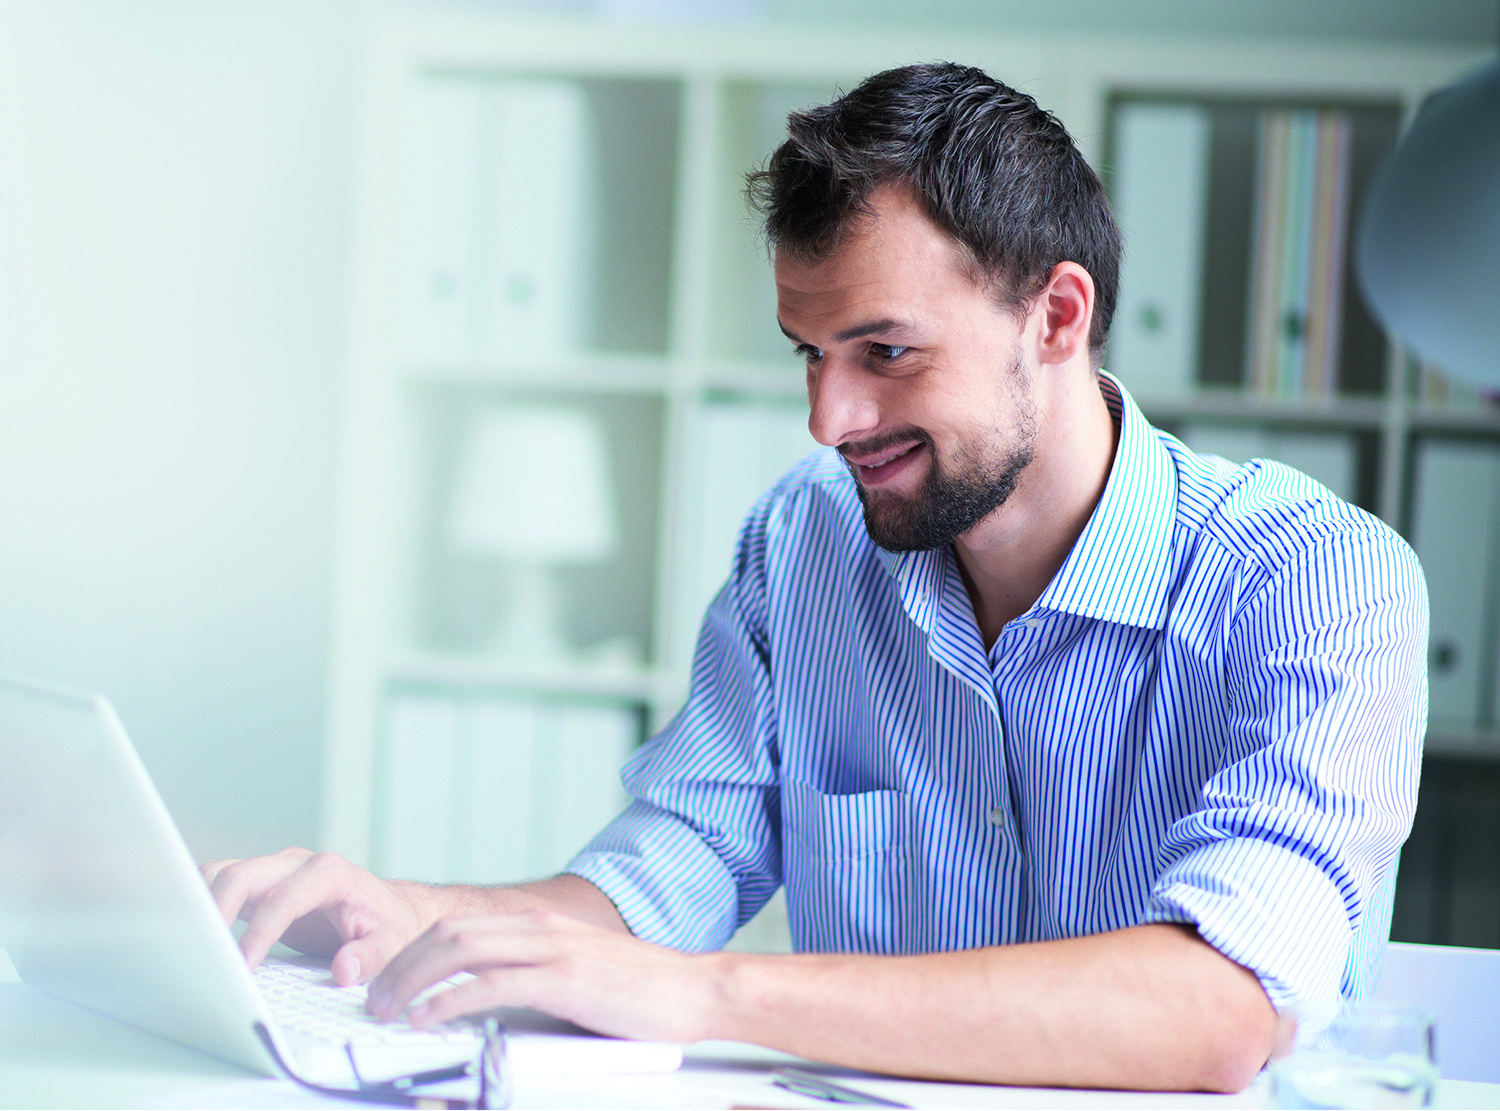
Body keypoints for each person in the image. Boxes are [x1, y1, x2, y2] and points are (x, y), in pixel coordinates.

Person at [204, 62, 1427, 1093]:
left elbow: (1220, 1008)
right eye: (810, 354)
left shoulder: (1319, 580)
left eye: (885, 351)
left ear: (1055, 317)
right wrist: (403, 912)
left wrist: (707, 994)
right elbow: (663, 877)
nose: (830, 418)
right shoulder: (803, 546)